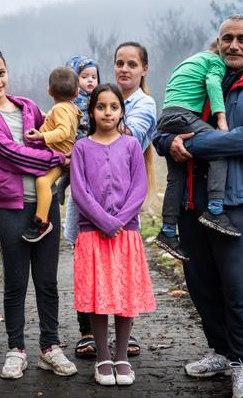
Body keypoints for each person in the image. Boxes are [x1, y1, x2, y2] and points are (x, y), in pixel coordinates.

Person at [153, 14, 243, 398]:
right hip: (191, 199)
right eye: (228, 38)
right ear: (219, 41)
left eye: (242, 39)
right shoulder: (202, 75)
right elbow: (161, 132)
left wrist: (189, 144)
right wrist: (168, 143)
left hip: (234, 200)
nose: (234, 45)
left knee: (238, 285)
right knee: (201, 284)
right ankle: (221, 352)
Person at [0, 46, 77, 380]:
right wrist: (57, 160)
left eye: (1, 73)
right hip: (11, 206)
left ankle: (49, 347)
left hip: (45, 204)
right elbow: (9, 154)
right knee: (15, 282)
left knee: (47, 281)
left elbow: (54, 139)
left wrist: (70, 151)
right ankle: (16, 350)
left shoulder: (28, 107)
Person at [70, 83, 156, 386]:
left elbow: (139, 187)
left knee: (124, 294)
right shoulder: (81, 148)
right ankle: (103, 357)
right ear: (91, 111)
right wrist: (103, 221)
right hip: (92, 234)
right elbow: (79, 191)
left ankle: (121, 356)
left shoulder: (131, 146)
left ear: (122, 111)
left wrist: (118, 220)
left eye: (114, 107)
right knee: (99, 296)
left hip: (125, 232)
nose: (107, 112)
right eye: (101, 106)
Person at [154, 41, 239, 262]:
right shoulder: (215, 61)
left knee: (176, 177)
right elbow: (212, 83)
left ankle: (168, 231)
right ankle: (215, 210)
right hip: (184, 115)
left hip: (166, 118)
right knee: (219, 148)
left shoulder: (189, 61)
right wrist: (221, 119)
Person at [112, 41, 158, 357]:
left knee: (122, 267)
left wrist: (92, 117)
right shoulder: (104, 97)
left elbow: (128, 138)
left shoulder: (145, 104)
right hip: (94, 195)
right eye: (120, 63)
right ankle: (89, 331)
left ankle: (124, 334)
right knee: (92, 264)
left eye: (132, 64)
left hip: (125, 195)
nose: (125, 69)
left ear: (144, 69)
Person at [61, 56, 102, 359]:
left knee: (113, 267)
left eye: (93, 76)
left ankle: (120, 329)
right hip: (80, 187)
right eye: (83, 76)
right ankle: (86, 331)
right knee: (85, 268)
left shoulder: (102, 105)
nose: (89, 81)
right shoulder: (68, 107)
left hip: (108, 197)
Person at [22, 67, 82, 242]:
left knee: (43, 182)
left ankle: (41, 221)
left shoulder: (60, 109)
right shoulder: (70, 108)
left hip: (60, 157)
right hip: (62, 155)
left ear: (49, 91)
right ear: (77, 93)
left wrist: (42, 136)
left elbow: (63, 132)